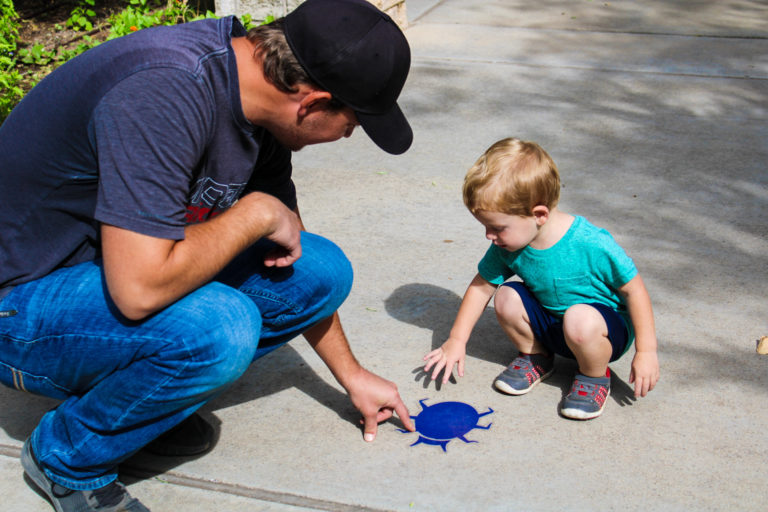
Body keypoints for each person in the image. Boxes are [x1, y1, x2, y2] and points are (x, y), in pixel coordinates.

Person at [0, 0, 415, 510]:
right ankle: (67, 456)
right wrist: (253, 215)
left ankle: (135, 406)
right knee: (220, 329)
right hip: (20, 298)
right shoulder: (162, 91)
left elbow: (289, 254)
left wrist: (352, 375)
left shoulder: (255, 98)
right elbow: (138, 292)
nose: (349, 135)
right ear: (310, 104)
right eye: (353, 124)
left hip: (102, 274)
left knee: (320, 270)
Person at [423, 137, 660, 421]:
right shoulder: (508, 246)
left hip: (601, 331)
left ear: (539, 214)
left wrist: (646, 351)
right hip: (554, 324)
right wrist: (456, 340)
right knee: (507, 296)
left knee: (580, 319)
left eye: (497, 227)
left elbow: (635, 291)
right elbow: (481, 287)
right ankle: (537, 356)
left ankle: (595, 376)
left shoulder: (592, 244)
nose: (489, 236)